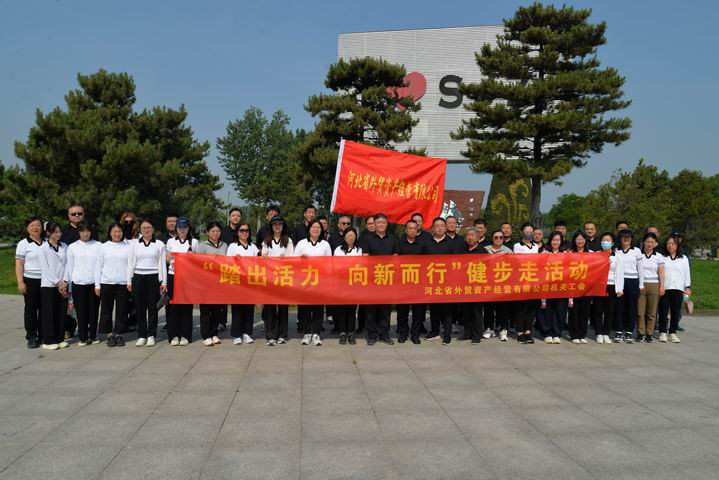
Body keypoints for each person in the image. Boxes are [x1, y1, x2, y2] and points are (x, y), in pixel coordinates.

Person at [127, 218, 167, 347]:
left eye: (149, 227)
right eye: (144, 227)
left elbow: (162, 264)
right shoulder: (134, 244)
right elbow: (130, 263)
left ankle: (151, 335)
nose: (146, 229)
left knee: (152, 308)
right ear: (140, 229)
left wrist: (164, 281)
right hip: (138, 277)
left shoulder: (159, 244)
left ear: (153, 229)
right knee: (139, 308)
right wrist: (129, 280)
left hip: (153, 277)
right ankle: (142, 335)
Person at [294, 219, 332, 346]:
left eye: (318, 227)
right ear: (309, 229)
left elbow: (329, 263)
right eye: (313, 227)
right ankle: (306, 333)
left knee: (318, 308)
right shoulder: (301, 243)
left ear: (322, 230)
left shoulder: (325, 244)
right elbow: (293, 261)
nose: (316, 229)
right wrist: (301, 259)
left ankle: (316, 333)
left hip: (320, 281)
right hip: (304, 280)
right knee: (305, 308)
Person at [363, 213, 398, 345]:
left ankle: (384, 334)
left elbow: (395, 257)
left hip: (387, 278)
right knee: (371, 308)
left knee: (385, 308)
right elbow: (365, 257)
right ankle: (372, 335)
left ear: (386, 224)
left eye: (383, 222)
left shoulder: (393, 238)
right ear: (375, 224)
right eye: (378, 223)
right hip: (373, 278)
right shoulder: (368, 239)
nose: (381, 225)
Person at [423, 217, 458, 345]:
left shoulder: (451, 243)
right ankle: (434, 331)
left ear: (445, 227)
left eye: (442, 226)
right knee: (434, 308)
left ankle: (447, 334)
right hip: (431, 281)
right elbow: (421, 262)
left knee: (447, 310)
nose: (439, 228)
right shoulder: (427, 243)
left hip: (447, 281)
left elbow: (457, 262)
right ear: (433, 228)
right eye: (437, 226)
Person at [65, 223, 101, 346]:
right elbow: (70, 267)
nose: (85, 234)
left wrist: (98, 284)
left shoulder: (98, 245)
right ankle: (83, 337)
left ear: (91, 232)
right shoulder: (72, 247)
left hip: (94, 284)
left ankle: (93, 336)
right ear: (79, 232)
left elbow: (100, 265)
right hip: (78, 283)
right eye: (82, 231)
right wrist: (70, 287)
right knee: (81, 311)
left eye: (88, 231)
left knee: (93, 311)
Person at [96, 222, 131, 347]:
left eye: (119, 231)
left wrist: (129, 281)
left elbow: (130, 266)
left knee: (122, 309)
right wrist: (97, 285)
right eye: (114, 231)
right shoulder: (103, 247)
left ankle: (119, 333)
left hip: (123, 283)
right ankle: (110, 334)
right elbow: (98, 266)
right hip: (106, 282)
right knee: (106, 309)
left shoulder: (128, 247)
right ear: (110, 233)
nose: (117, 234)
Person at [165, 217, 198, 346]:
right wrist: (169, 258)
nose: (182, 230)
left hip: (188, 277)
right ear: (176, 228)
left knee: (186, 306)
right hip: (173, 275)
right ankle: (173, 335)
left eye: (184, 227)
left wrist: (192, 258)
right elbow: (167, 260)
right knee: (172, 305)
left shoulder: (194, 242)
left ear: (188, 228)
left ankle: (185, 335)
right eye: (179, 227)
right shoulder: (170, 241)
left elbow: (198, 261)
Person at [261, 216, 293, 345]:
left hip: (284, 277)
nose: (277, 226)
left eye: (280, 224)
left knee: (283, 308)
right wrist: (264, 256)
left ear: (283, 226)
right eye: (275, 224)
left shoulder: (288, 240)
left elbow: (292, 257)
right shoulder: (267, 240)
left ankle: (282, 335)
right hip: (270, 278)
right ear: (271, 226)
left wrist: (285, 258)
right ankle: (271, 336)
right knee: (270, 308)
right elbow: (263, 255)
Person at [196, 222, 228, 345]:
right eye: (213, 231)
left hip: (219, 282)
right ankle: (206, 335)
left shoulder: (224, 245)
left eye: (218, 231)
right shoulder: (202, 246)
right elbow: (197, 263)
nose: (215, 233)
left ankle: (214, 333)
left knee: (217, 309)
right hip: (205, 282)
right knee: (205, 310)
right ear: (208, 232)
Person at [38, 222, 69, 350]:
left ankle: (59, 338)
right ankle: (48, 340)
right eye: (55, 232)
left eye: (59, 232)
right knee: (49, 313)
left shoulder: (64, 246)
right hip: (49, 285)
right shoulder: (43, 248)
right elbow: (45, 268)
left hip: (63, 284)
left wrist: (65, 281)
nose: (58, 234)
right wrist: (57, 282)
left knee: (61, 312)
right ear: (48, 233)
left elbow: (68, 264)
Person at [226, 222, 258, 345]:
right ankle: (236, 334)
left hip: (250, 282)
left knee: (249, 309)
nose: (244, 233)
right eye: (242, 230)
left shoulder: (253, 247)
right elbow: (227, 263)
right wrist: (234, 260)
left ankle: (247, 333)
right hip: (237, 281)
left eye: (246, 230)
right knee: (237, 309)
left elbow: (259, 262)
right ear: (237, 232)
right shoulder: (232, 246)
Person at [15, 217, 45, 348]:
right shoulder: (23, 243)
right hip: (30, 280)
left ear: (42, 227)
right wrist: (20, 282)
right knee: (31, 309)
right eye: (32, 225)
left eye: (38, 225)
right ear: (27, 228)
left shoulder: (46, 242)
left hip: (46, 281)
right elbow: (19, 264)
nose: (35, 228)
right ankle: (31, 336)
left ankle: (43, 335)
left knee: (45, 309)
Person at [396, 219, 426, 344]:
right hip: (403, 282)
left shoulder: (422, 244)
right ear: (406, 230)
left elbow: (427, 262)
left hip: (418, 282)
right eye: (410, 228)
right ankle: (403, 333)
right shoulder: (399, 243)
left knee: (417, 311)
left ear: (417, 229)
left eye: (414, 228)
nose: (412, 230)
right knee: (402, 310)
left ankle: (415, 334)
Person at [657, 234, 691, 343]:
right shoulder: (662, 257)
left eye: (672, 243)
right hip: (665, 288)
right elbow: (659, 272)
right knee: (663, 311)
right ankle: (662, 332)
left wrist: (687, 287)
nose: (670, 246)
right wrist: (660, 286)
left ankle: (673, 332)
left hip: (678, 288)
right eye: (668, 243)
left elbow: (686, 273)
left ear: (677, 245)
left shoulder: (683, 258)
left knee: (675, 312)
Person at [332, 226, 362, 345]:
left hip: (354, 283)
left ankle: (351, 332)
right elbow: (336, 265)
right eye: (348, 235)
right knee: (342, 309)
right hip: (341, 283)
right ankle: (342, 332)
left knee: (352, 309)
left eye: (353, 235)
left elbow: (359, 265)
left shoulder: (358, 250)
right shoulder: (338, 250)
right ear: (344, 237)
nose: (351, 237)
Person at [60, 204, 86, 338]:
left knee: (84, 303)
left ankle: (85, 328)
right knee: (69, 303)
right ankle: (68, 329)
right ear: (68, 216)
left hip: (86, 272)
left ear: (84, 214)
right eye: (73, 214)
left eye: (79, 213)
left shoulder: (90, 229)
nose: (77, 216)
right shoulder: (63, 231)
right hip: (68, 271)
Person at [592, 233, 624, 344]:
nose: (605, 242)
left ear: (612, 243)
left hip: (612, 285)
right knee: (598, 310)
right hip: (599, 285)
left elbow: (620, 273)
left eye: (608, 240)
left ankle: (606, 333)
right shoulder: (596, 254)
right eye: (603, 240)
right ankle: (598, 333)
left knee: (609, 311)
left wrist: (620, 288)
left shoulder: (617, 256)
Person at [614, 229, 643, 343]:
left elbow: (640, 269)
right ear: (620, 239)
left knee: (631, 307)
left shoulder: (636, 251)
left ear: (631, 239)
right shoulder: (616, 250)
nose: (626, 239)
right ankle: (618, 330)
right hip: (619, 280)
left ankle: (629, 330)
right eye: (623, 237)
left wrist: (641, 284)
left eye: (628, 237)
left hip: (633, 281)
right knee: (619, 307)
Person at [513, 222, 540, 344]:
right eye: (526, 231)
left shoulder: (536, 246)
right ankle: (520, 332)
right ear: (522, 232)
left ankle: (528, 331)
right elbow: (519, 260)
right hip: (522, 279)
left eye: (530, 232)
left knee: (531, 307)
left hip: (533, 279)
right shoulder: (517, 245)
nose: (529, 233)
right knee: (521, 307)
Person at [483, 230, 512, 341]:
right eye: (496, 237)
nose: (498, 239)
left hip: (503, 284)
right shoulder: (485, 249)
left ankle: (503, 330)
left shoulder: (508, 251)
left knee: (503, 309)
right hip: (488, 284)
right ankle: (489, 329)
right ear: (492, 238)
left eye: (501, 237)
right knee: (488, 308)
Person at [637, 232, 665, 342]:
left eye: (652, 242)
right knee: (640, 311)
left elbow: (661, 272)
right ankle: (640, 332)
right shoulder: (638, 255)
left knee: (652, 312)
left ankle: (649, 333)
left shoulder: (659, 256)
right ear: (643, 242)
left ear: (656, 244)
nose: (649, 244)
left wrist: (662, 286)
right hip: (641, 284)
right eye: (647, 242)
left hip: (654, 284)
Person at [538, 232, 565, 344]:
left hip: (560, 287)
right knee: (546, 310)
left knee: (559, 310)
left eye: (558, 240)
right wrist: (543, 256)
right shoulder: (543, 252)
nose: (555, 242)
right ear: (550, 240)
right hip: (546, 285)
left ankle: (556, 333)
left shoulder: (565, 253)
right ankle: (547, 333)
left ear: (561, 241)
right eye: (553, 240)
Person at [462, 227, 487, 344]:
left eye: (473, 235)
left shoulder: (483, 251)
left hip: (478, 286)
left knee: (476, 312)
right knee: (466, 311)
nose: (470, 237)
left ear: (478, 237)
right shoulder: (462, 250)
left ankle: (477, 335)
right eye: (468, 235)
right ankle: (467, 333)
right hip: (464, 285)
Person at [567, 232, 592, 344]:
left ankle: (582, 334)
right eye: (578, 239)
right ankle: (574, 335)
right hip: (573, 287)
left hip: (586, 287)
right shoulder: (570, 253)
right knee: (573, 311)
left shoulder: (591, 254)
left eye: (582, 239)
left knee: (584, 311)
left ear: (585, 241)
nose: (580, 241)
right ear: (574, 240)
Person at [356, 215, 376, 334]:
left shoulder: (383, 237)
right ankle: (361, 325)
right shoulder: (362, 238)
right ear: (366, 226)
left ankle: (374, 325)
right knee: (363, 302)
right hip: (365, 273)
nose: (371, 226)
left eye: (373, 223)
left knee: (375, 301)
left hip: (379, 273)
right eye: (369, 224)